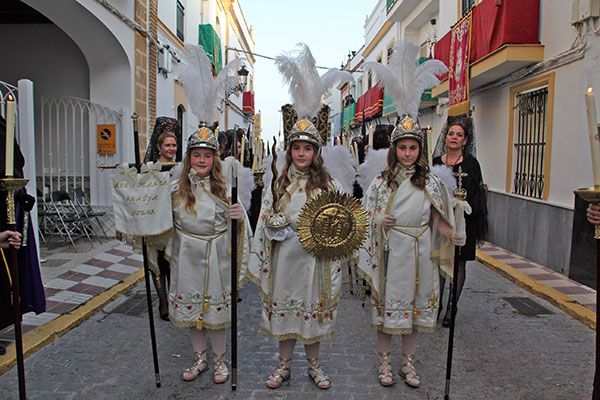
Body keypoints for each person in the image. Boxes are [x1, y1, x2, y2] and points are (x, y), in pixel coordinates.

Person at [358, 115, 462, 388]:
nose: (407, 153)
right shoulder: (381, 183)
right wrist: (380, 221)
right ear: (394, 151)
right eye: (402, 148)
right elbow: (364, 217)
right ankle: (384, 362)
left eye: (412, 148)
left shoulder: (432, 183)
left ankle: (408, 362)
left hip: (421, 252)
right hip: (393, 254)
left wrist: (453, 234)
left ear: (420, 150)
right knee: (386, 313)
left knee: (413, 313)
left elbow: (437, 221)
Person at [248, 119, 345, 390]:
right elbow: (265, 216)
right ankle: (283, 366)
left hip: (316, 261)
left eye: (307, 149)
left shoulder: (328, 184)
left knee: (312, 313)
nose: (301, 154)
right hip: (286, 260)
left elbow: (340, 220)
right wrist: (275, 223)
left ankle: (314, 366)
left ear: (316, 153)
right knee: (287, 312)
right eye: (297, 148)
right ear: (289, 151)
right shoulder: (279, 184)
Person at [167, 125, 250, 384]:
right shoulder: (175, 190)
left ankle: (220, 362)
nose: (201, 160)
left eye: (207, 155)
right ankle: (199, 358)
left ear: (214, 159)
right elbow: (162, 224)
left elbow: (239, 227)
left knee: (216, 314)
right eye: (196, 155)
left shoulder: (224, 190)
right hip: (187, 256)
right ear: (188, 158)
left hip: (216, 256)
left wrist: (238, 219)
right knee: (192, 311)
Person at [432, 116, 487, 327]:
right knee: (440, 262)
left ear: (465, 141)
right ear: (446, 138)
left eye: (459, 135)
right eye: (451, 134)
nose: (454, 138)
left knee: (458, 263)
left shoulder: (472, 164)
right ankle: (436, 305)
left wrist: (460, 206)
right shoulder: (437, 162)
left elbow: (476, 194)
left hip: (464, 220)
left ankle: (451, 307)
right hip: (441, 220)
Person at [143, 117, 180, 321]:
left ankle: (174, 301)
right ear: (159, 147)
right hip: (156, 222)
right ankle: (163, 303)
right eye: (167, 145)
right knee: (156, 263)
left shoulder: (181, 168)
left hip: (175, 222)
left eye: (174, 145)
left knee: (171, 262)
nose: (171, 148)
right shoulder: (150, 168)